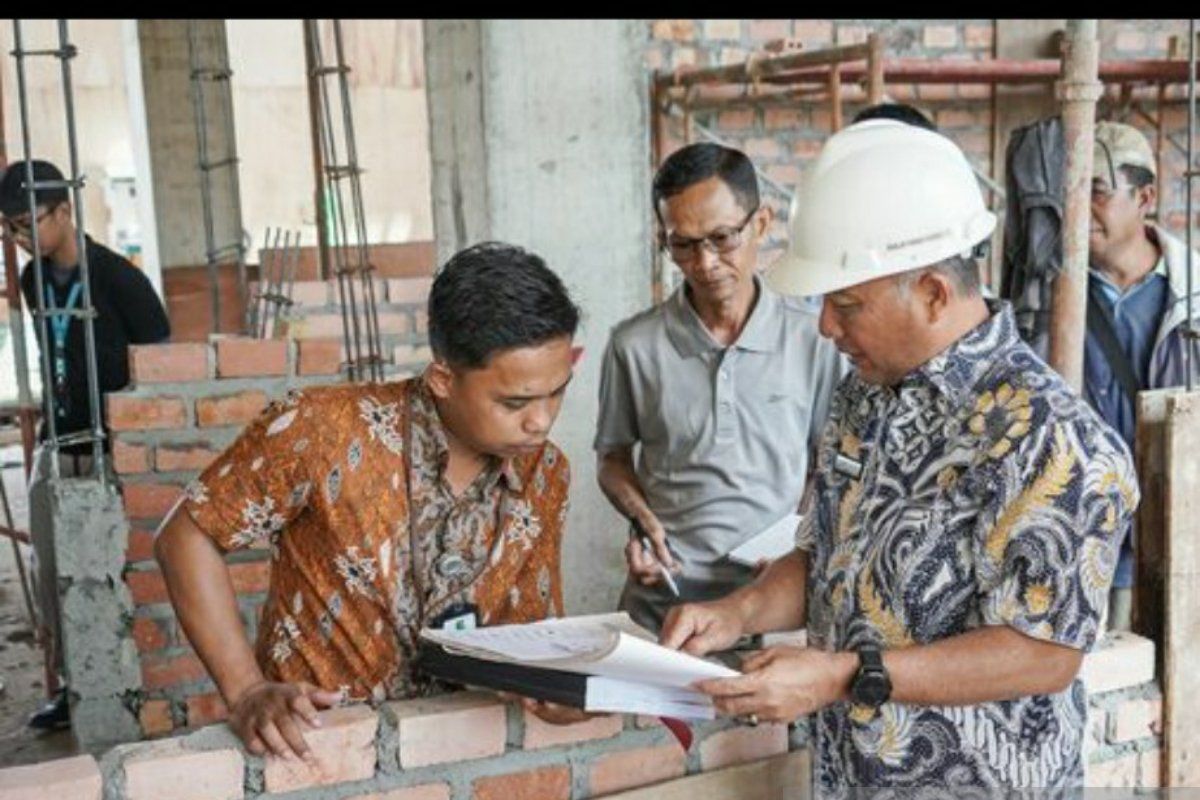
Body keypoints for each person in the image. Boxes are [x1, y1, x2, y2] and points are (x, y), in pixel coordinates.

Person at [661, 120, 1138, 794]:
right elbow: (831, 556)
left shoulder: (1049, 438)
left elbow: (1041, 653)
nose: (826, 326)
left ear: (934, 293)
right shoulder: (865, 395)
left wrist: (842, 674)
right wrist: (736, 612)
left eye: (846, 304)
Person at [155, 242, 585, 761]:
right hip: (320, 754)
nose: (541, 421)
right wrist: (245, 689)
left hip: (460, 759)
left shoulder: (547, 474)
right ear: (444, 379)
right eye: (514, 402)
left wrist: (560, 691)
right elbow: (186, 533)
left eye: (556, 392)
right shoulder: (323, 431)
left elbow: (532, 635)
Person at [594, 143, 844, 633]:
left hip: (776, 606)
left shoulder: (815, 336)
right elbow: (613, 460)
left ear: (762, 224)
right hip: (663, 604)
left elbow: (832, 461)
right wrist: (641, 522)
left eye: (722, 238)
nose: (705, 263)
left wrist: (799, 541)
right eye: (682, 245)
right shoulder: (634, 346)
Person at [0, 159, 170, 731]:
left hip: (111, 449)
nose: (21, 241)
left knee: (113, 571)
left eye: (28, 224)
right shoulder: (32, 281)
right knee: (55, 576)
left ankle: (131, 689)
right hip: (58, 440)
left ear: (65, 211)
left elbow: (161, 366)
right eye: (11, 229)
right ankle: (75, 688)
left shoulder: (120, 280)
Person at [1074, 121, 1200, 630]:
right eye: (1074, 193)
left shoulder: (1191, 299)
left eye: (1098, 193)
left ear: (1145, 196)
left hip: (1179, 543)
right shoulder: (1047, 300)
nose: (1080, 211)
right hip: (1083, 547)